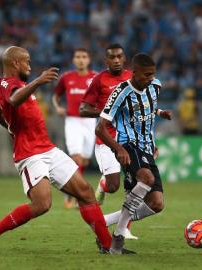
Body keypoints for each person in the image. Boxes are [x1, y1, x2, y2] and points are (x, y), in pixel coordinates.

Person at [0, 46, 114, 255]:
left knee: (86, 192)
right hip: (30, 154)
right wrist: (38, 81)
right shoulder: (10, 84)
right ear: (15, 63)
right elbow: (13, 99)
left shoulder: (4, 83)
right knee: (42, 204)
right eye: (26, 61)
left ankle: (108, 245)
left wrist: (11, 127)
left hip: (48, 149)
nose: (29, 64)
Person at [95, 53, 172, 254]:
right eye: (146, 75)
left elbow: (149, 107)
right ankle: (118, 237)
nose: (150, 79)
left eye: (153, 75)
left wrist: (160, 113)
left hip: (147, 147)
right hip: (128, 145)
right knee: (145, 178)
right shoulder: (120, 92)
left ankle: (102, 222)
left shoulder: (155, 86)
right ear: (134, 72)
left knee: (156, 204)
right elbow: (100, 128)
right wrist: (118, 148)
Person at [79, 44, 137, 239]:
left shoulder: (132, 78)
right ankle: (103, 184)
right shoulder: (99, 80)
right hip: (106, 138)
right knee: (113, 186)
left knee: (137, 184)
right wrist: (107, 111)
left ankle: (123, 228)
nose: (116, 60)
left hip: (130, 138)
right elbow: (83, 109)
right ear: (106, 61)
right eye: (112, 57)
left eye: (119, 56)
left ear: (124, 58)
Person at [52, 48, 97, 209]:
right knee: (76, 158)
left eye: (84, 57)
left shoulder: (95, 78)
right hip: (72, 121)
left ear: (89, 59)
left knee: (84, 160)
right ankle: (77, 194)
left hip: (90, 121)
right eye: (77, 56)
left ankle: (73, 192)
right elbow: (56, 96)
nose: (81, 60)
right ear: (73, 60)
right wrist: (57, 107)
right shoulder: (66, 77)